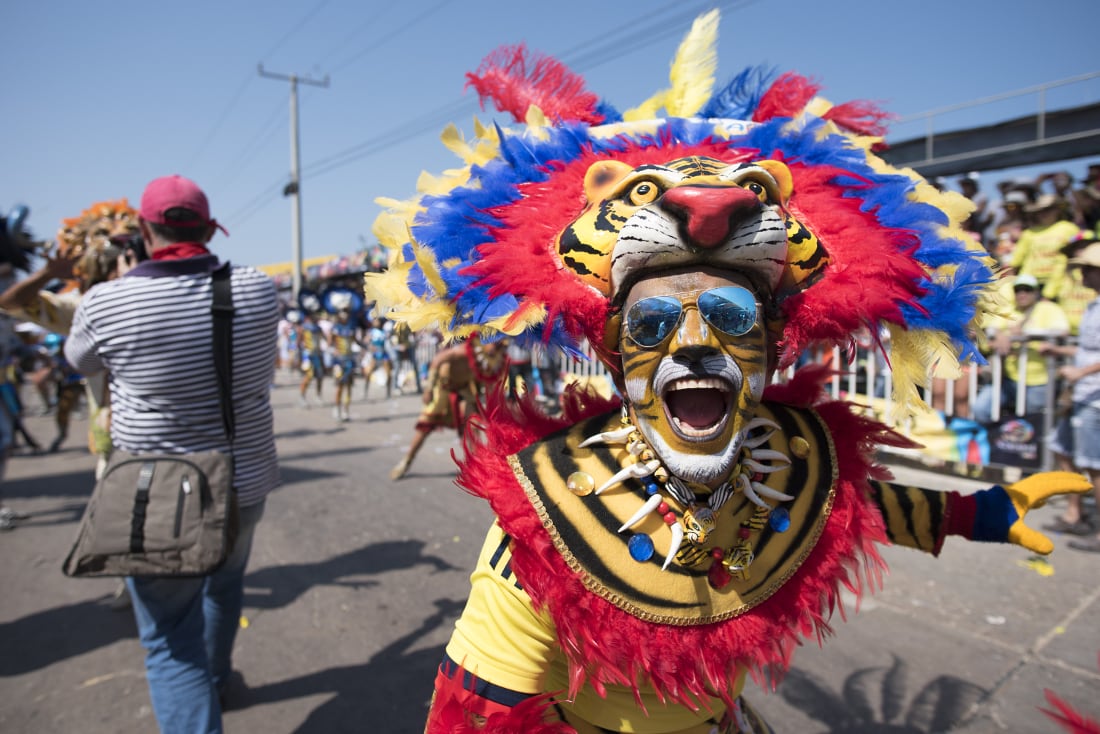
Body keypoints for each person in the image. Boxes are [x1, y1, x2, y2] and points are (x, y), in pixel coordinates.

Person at [365, 13, 1091, 732]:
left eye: (732, 321)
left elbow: (853, 505)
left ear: (774, 348)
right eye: (653, 326)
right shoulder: (546, 518)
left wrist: (982, 513)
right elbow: (477, 713)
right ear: (617, 353)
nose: (692, 346)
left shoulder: (787, 453)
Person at [64, 174, 279, 733]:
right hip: (243, 481)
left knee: (168, 640)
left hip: (157, 497)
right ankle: (217, 680)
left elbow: (80, 363)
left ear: (141, 230)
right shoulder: (257, 288)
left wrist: (121, 280)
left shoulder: (107, 303)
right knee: (225, 584)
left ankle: (198, 701)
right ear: (210, 229)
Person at [1040, 241, 1100, 550]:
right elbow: (1089, 349)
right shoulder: (1093, 306)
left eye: (1088, 270)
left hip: (1095, 396)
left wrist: (1080, 373)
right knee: (1063, 448)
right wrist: (1061, 351)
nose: (1083, 276)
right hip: (1083, 394)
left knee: (1095, 464)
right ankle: (1075, 513)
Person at [388, 335, 506, 481]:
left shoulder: (493, 358)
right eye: (494, 343)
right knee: (424, 427)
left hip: (463, 391)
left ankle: (477, 468)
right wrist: (429, 388)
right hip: (443, 389)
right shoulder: (463, 351)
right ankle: (406, 461)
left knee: (472, 425)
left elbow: (489, 381)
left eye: (499, 344)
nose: (496, 346)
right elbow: (438, 360)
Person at [971, 273, 1069, 423]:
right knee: (981, 409)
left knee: (1032, 422)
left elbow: (1062, 330)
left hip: (1039, 381)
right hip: (1009, 379)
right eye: (1018, 290)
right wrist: (999, 334)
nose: (1022, 294)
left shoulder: (1049, 309)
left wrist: (1027, 334)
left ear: (1036, 292)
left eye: (1027, 290)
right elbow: (991, 328)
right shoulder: (1008, 309)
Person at [297, 308, 328, 407]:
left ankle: (318, 396)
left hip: (318, 355)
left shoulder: (318, 328)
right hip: (308, 354)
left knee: (320, 376)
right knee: (308, 376)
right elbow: (298, 342)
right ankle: (302, 397)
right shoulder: (304, 327)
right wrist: (302, 355)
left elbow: (325, 338)